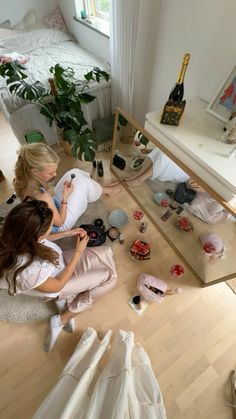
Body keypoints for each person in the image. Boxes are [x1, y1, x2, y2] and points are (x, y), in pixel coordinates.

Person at [0, 200, 117, 352]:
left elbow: (43, 239)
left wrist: (68, 233)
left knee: (106, 253)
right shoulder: (28, 272)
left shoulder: (14, 233)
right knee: (110, 277)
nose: (52, 229)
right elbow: (58, 285)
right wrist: (78, 251)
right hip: (57, 282)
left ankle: (67, 303)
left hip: (57, 263)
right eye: (50, 228)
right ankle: (62, 319)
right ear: (37, 236)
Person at [13, 143, 120, 232]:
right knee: (84, 184)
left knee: (74, 172)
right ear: (35, 171)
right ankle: (103, 189)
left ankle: (98, 187)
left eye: (55, 170)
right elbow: (60, 222)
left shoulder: (24, 180)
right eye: (51, 173)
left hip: (50, 208)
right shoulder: (42, 196)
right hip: (59, 224)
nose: (55, 175)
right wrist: (65, 198)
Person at [123, 147, 190, 187]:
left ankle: (139, 180)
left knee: (165, 155)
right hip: (179, 159)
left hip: (183, 170)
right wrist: (151, 150)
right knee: (163, 147)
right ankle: (137, 175)